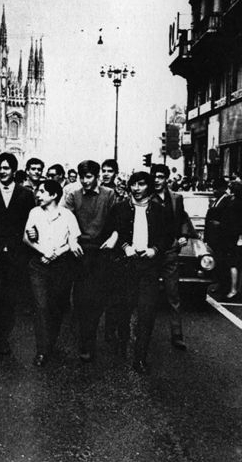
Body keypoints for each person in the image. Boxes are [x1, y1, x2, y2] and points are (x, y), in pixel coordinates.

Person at [107, 171, 172, 374]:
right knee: (123, 310)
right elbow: (113, 232)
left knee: (146, 313)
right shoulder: (119, 208)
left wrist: (154, 250)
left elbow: (167, 236)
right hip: (125, 267)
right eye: (133, 185)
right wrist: (125, 247)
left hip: (149, 268)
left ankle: (140, 357)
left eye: (141, 184)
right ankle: (122, 342)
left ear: (149, 187)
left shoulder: (160, 211)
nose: (136, 189)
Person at [0, 152, 35, 356]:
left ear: (14, 170)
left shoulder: (26, 195)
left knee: (9, 299)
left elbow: (31, 222)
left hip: (16, 254)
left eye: (6, 168)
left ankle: (2, 339)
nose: (2, 172)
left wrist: (32, 233)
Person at [61, 159, 117, 362]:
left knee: (98, 299)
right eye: (82, 176)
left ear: (97, 176)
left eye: (89, 176)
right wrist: (71, 240)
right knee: (83, 298)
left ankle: (88, 334)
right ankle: (86, 342)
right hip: (80, 252)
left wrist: (113, 238)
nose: (85, 181)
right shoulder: (72, 195)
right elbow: (64, 219)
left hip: (101, 251)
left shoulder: (109, 194)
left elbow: (116, 220)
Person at [24, 180, 80, 367]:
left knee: (55, 307)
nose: (38, 194)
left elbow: (73, 240)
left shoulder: (67, 215)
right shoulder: (34, 212)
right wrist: (43, 251)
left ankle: (50, 342)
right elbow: (26, 237)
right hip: (39, 264)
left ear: (54, 195)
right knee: (40, 306)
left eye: (42, 191)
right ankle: (42, 350)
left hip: (61, 266)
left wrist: (56, 252)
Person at [151, 164, 192, 350]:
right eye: (155, 176)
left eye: (160, 176)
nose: (157, 180)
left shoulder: (176, 198)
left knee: (173, 295)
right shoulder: (145, 197)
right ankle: (144, 335)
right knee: (147, 295)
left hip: (169, 252)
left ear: (167, 178)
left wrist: (183, 235)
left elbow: (183, 218)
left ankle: (177, 335)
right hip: (150, 252)